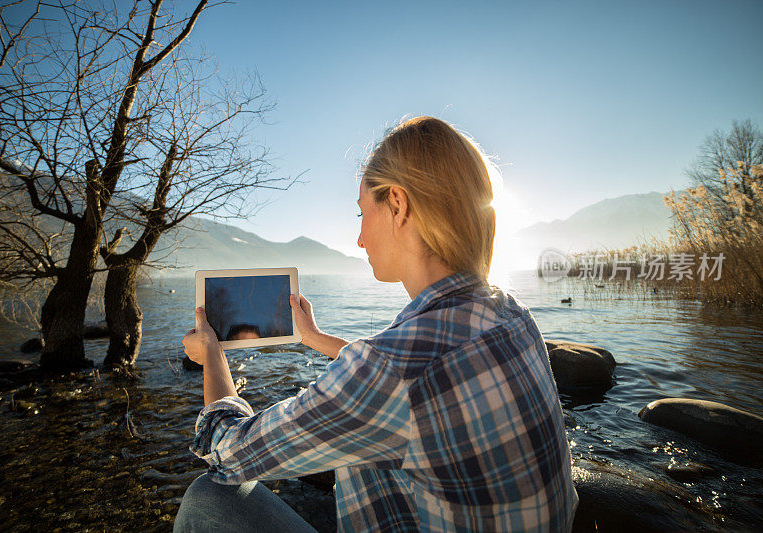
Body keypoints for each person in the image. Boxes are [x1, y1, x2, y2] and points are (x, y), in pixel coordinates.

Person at [175, 116, 579, 532]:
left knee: (206, 497)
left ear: (398, 205)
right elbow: (423, 373)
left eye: (361, 214)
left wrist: (212, 355)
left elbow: (224, 451)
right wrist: (316, 339)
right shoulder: (514, 315)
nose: (360, 239)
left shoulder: (390, 373)